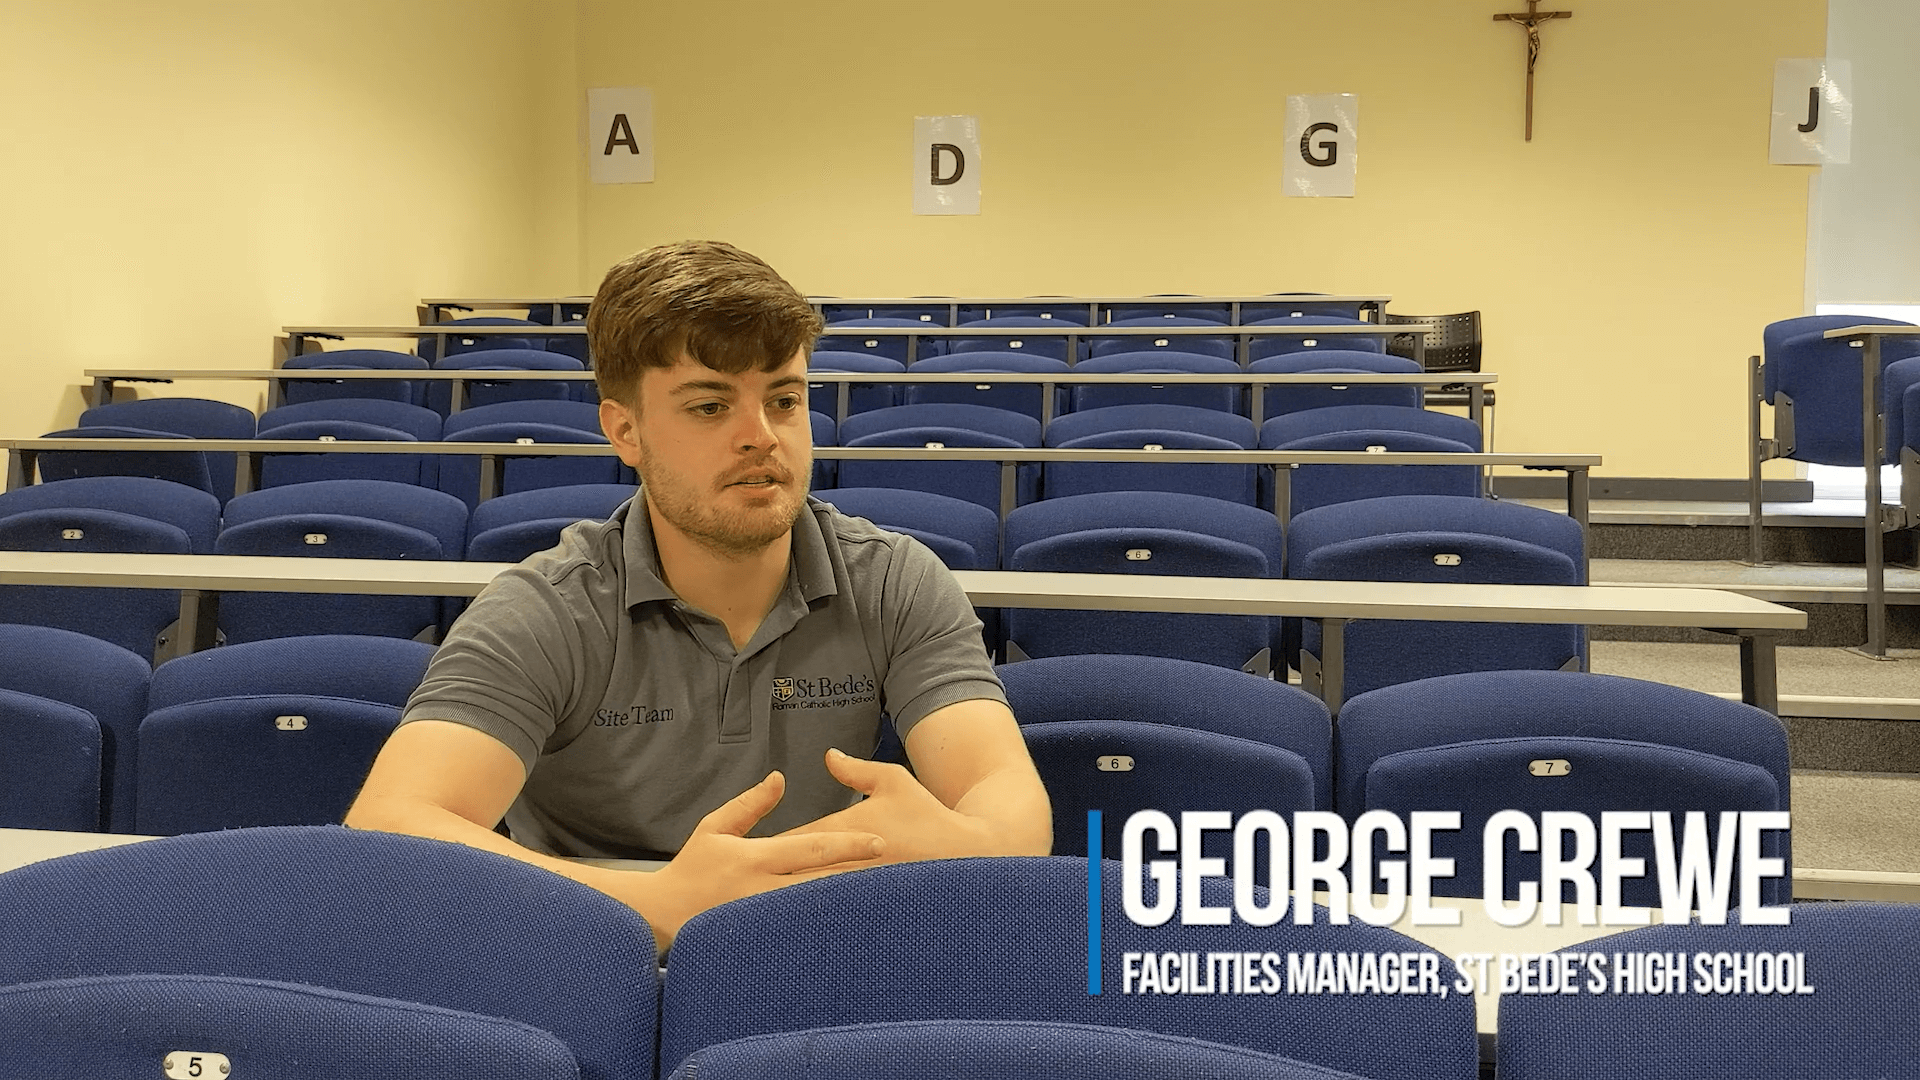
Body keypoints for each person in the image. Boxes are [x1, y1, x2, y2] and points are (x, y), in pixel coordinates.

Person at [346, 240, 1052, 948]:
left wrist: (964, 844)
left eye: (784, 400)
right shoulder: (549, 607)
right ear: (625, 430)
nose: (761, 437)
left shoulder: (893, 579)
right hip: (590, 953)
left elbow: (1013, 806)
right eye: (711, 407)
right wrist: (657, 903)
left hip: (820, 945)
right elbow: (388, 824)